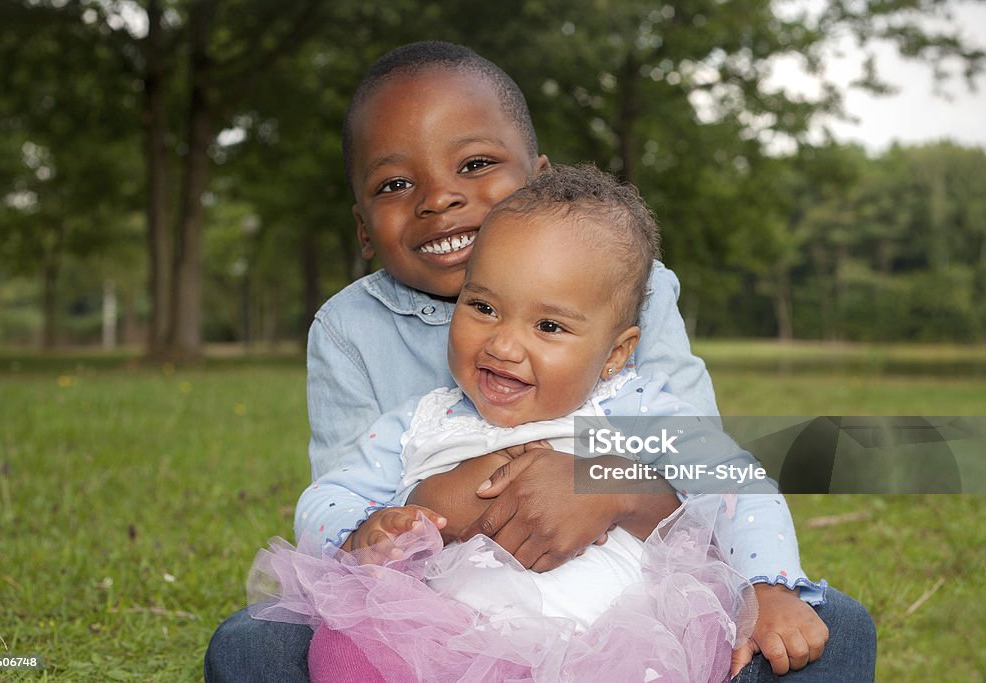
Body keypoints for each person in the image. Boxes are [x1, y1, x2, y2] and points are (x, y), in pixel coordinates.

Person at [204, 41, 876, 682]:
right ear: (361, 226)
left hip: (623, 612)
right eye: (396, 183)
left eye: (474, 165)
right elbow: (339, 498)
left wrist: (610, 487)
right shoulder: (391, 378)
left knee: (833, 627)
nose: (438, 198)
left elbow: (722, 481)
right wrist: (389, 523)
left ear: (541, 179)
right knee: (252, 644)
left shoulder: (630, 328)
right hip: (442, 617)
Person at [249, 164, 816, 682]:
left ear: (615, 354)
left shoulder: (636, 409)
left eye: (549, 327)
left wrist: (769, 585)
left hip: (607, 640)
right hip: (448, 638)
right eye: (484, 307)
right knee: (340, 645)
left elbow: (738, 487)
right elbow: (331, 492)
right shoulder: (421, 420)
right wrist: (364, 530)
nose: (503, 344)